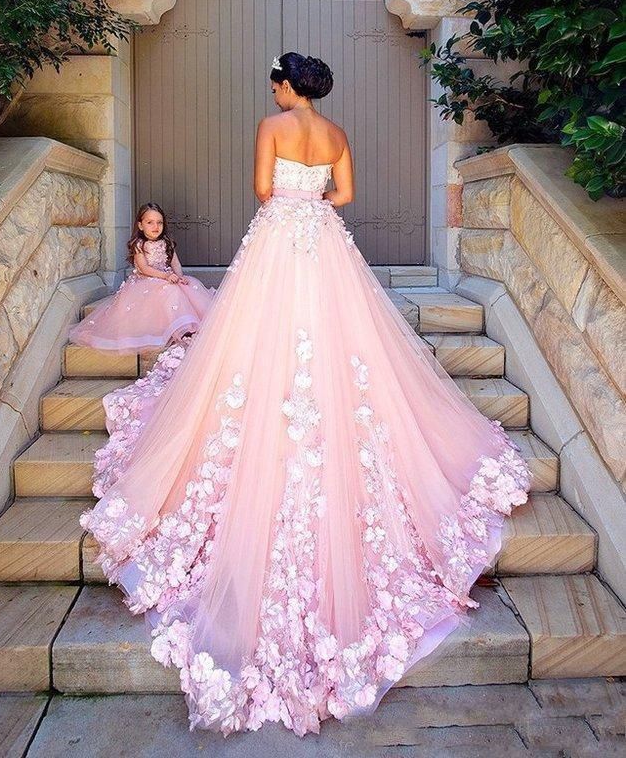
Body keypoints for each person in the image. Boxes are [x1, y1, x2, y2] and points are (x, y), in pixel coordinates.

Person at [80, 52, 531, 737]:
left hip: (277, 240)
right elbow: (341, 198)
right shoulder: (338, 134)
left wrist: (289, 197)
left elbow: (263, 189)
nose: (273, 89)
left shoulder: (271, 125)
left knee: (255, 339)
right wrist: (312, 199)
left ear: (286, 87)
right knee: (341, 340)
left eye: (275, 81)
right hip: (322, 239)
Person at [69, 203, 214, 354]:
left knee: (190, 286)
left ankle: (189, 326)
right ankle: (178, 331)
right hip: (147, 280)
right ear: (140, 225)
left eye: (159, 222)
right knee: (169, 291)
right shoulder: (139, 244)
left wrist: (180, 276)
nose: (155, 226)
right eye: (150, 222)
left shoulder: (167, 242)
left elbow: (174, 262)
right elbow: (144, 268)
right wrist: (166, 276)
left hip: (167, 277)